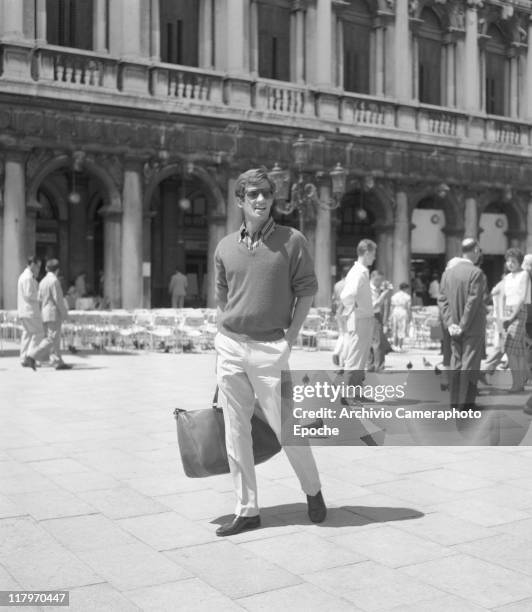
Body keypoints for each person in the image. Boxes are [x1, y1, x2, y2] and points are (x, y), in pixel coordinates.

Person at [214, 167, 325, 537]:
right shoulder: (225, 247)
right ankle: (247, 509)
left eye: (266, 193)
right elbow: (223, 298)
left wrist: (290, 338)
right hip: (230, 345)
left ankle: (313, 490)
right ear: (240, 200)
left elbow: (307, 291)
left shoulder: (291, 240)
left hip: (269, 349)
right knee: (235, 431)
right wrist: (222, 337)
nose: (260, 200)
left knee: (287, 429)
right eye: (253, 194)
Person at [438, 239, 487, 410]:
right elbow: (473, 302)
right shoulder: (476, 273)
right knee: (470, 364)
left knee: (456, 362)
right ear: (474, 250)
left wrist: (451, 324)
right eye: (478, 251)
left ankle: (454, 402)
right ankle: (466, 404)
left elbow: (442, 300)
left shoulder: (447, 273)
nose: (479, 254)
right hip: (472, 327)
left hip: (454, 328)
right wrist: (463, 325)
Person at [340, 239, 377, 372]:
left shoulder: (359, 271)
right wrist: (354, 308)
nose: (375, 257)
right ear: (366, 253)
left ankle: (355, 390)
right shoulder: (359, 272)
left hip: (360, 318)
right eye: (373, 254)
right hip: (361, 319)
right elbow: (347, 295)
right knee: (356, 359)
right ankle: (350, 391)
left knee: (360, 358)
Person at [502, 248, 530, 392]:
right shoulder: (507, 277)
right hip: (508, 311)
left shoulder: (524, 274)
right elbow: (504, 297)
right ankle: (521, 382)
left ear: (520, 262)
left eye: (514, 261)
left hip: (519, 312)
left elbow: (522, 297)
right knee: (517, 351)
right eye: (508, 261)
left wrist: (510, 316)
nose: (510, 264)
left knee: (509, 349)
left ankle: (516, 383)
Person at [38, 259, 72, 370]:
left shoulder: (42, 281)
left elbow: (39, 299)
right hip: (53, 313)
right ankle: (33, 355)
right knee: (53, 338)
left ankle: (57, 360)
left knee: (51, 338)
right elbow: (59, 300)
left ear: (46, 269)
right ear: (58, 270)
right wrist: (65, 314)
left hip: (44, 312)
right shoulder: (54, 281)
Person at [17, 256, 48, 370]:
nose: (39, 269)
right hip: (30, 311)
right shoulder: (28, 278)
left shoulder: (25, 276)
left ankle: (24, 358)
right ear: (33, 265)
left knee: (27, 334)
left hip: (25, 311)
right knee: (39, 333)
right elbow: (30, 295)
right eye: (38, 266)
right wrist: (40, 296)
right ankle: (31, 356)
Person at [367, 271, 393, 371]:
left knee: (372, 341)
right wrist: (385, 294)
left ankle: (371, 365)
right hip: (373, 315)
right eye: (378, 280)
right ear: (372, 278)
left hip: (375, 316)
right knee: (378, 342)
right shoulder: (369, 289)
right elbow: (374, 305)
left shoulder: (377, 289)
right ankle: (379, 366)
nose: (379, 282)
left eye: (381, 280)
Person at [331, 265, 350, 367]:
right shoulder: (349, 284)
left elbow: (333, 299)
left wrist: (334, 311)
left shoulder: (337, 284)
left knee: (342, 333)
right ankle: (343, 356)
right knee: (347, 334)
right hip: (347, 310)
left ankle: (336, 351)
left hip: (338, 310)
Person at [390, 282, 412, 352]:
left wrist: (390, 315)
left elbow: (392, 306)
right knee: (402, 328)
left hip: (395, 310)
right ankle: (400, 345)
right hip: (403, 310)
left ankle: (394, 345)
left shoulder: (394, 296)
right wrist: (410, 315)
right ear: (405, 288)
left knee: (395, 328)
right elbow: (408, 307)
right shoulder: (407, 296)